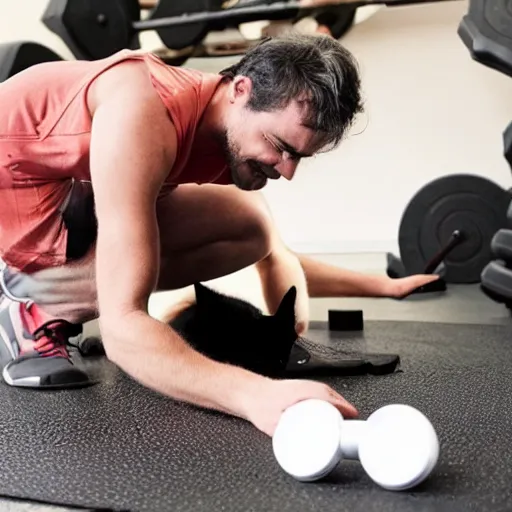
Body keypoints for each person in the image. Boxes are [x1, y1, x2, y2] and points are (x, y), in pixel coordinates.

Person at [0, 33, 436, 437]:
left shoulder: (220, 134)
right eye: (281, 148)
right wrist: (253, 394)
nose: (286, 171)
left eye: (300, 158)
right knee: (129, 289)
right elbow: (121, 329)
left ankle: (48, 289)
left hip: (61, 193)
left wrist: (383, 286)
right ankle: (32, 306)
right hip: (15, 202)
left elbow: (277, 254)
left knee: (250, 225)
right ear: (241, 90)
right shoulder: (146, 115)